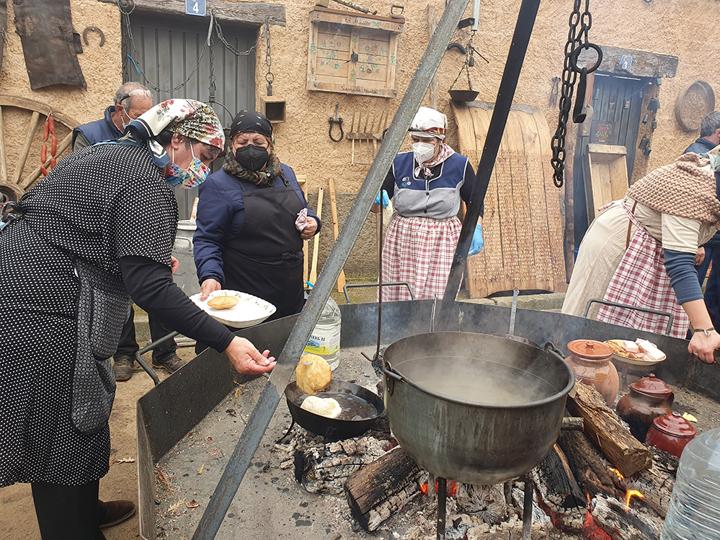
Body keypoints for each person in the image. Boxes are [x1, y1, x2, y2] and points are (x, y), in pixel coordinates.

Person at [0, 99, 276, 540]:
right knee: (58, 429)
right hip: (42, 306)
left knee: (80, 416)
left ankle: (86, 510)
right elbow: (150, 290)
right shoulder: (145, 183)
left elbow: (87, 227)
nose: (202, 172)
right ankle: (72, 530)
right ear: (178, 139)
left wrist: (137, 259)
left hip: (26, 281)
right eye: (203, 157)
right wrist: (225, 342)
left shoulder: (107, 153)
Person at [562, 152, 720, 364]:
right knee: (589, 325)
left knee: (633, 343)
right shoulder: (693, 184)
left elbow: (686, 222)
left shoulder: (711, 183)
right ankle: (573, 375)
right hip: (624, 243)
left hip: (651, 246)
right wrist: (704, 330)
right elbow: (679, 264)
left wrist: (695, 242)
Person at [73, 82, 184, 380]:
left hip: (144, 222)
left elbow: (163, 175)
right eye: (139, 114)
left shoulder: (150, 136)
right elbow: (84, 185)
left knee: (157, 279)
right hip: (106, 228)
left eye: (149, 114)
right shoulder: (90, 136)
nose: (145, 120)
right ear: (120, 109)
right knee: (117, 288)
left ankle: (165, 351)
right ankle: (124, 353)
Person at [194, 111, 320, 326]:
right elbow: (207, 239)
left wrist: (314, 223)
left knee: (286, 348)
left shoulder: (286, 174)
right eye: (242, 141)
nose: (250, 147)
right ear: (232, 145)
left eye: (258, 141)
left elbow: (303, 210)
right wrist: (210, 275)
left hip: (289, 286)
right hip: (246, 291)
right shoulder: (218, 185)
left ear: (270, 144)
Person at [374, 106, 480, 301]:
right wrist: (376, 200)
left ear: (440, 139)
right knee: (398, 293)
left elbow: (475, 202)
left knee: (436, 298)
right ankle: (397, 329)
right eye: (416, 140)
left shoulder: (459, 165)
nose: (420, 145)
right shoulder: (398, 163)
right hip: (403, 238)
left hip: (441, 240)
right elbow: (377, 205)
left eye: (426, 140)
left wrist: (475, 229)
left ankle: (432, 330)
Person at [686, 112, 720, 331]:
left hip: (713, 238)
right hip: (703, 239)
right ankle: (695, 334)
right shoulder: (699, 158)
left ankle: (708, 332)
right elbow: (689, 202)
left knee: (712, 290)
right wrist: (695, 242)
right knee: (692, 290)